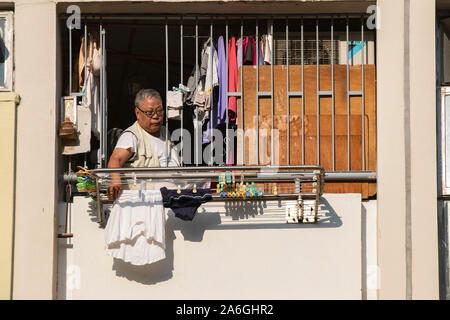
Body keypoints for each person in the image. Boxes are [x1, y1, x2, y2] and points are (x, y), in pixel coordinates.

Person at [107, 89, 180, 201]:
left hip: (170, 198)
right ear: (138, 113)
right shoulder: (132, 136)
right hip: (145, 201)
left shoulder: (165, 132)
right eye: (150, 113)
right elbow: (115, 160)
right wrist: (116, 182)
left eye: (159, 111)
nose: (156, 116)